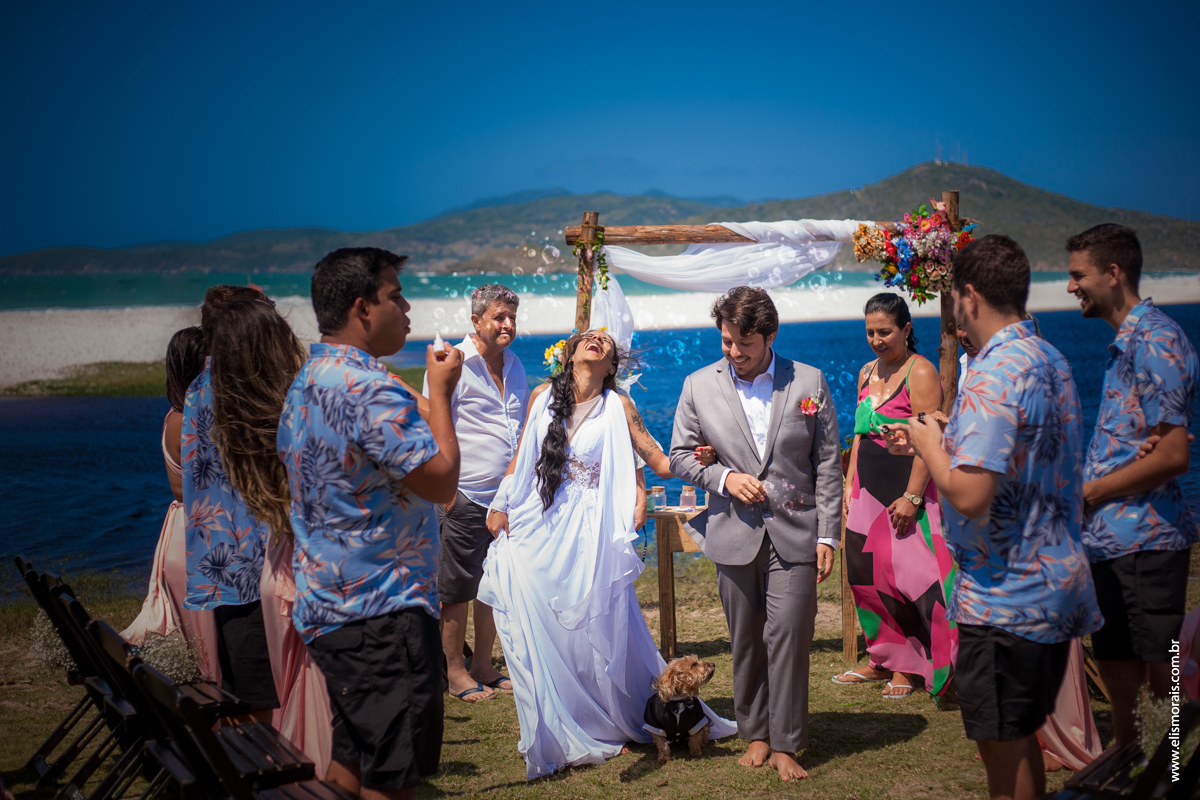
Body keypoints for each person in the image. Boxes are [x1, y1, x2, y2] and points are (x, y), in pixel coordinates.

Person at [885, 235, 1103, 800]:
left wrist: (929, 444)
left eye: (953, 295)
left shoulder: (992, 373)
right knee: (1021, 738)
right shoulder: (1047, 357)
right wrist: (932, 439)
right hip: (1054, 585)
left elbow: (970, 494)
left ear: (970, 296)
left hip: (1006, 598)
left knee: (1002, 755)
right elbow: (1018, 459)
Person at [477, 329, 735, 780]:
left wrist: (699, 458)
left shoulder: (619, 406)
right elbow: (521, 458)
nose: (598, 342)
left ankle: (600, 719)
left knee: (594, 625)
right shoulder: (542, 396)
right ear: (571, 353)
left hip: (590, 529)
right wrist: (500, 503)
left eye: (606, 342)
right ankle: (561, 720)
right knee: (547, 625)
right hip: (539, 521)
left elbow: (656, 458)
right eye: (589, 338)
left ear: (612, 363)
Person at [278, 247, 463, 800]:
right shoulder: (367, 387)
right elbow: (442, 481)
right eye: (395, 294)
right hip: (382, 607)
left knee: (350, 761)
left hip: (330, 604)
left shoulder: (310, 379)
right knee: (392, 777)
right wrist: (440, 394)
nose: (407, 307)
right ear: (362, 307)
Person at [669, 286, 842, 782]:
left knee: (788, 635)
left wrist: (828, 535)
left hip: (797, 531)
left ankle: (788, 742)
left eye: (744, 344)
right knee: (745, 641)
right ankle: (756, 734)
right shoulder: (698, 385)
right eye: (726, 341)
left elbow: (827, 463)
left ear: (770, 336)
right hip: (732, 531)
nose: (734, 352)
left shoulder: (810, 381)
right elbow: (680, 455)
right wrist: (723, 477)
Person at [1066, 223, 1198, 744]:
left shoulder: (1158, 340)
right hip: (1112, 543)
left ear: (1113, 273)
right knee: (1118, 664)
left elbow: (1173, 453)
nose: (1071, 286)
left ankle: (1165, 774)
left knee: (1160, 679)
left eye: (1079, 275)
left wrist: (1091, 493)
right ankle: (1132, 767)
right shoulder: (1126, 343)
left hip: (1148, 542)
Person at [208, 297, 332, 775]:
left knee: (296, 694)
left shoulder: (236, 415)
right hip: (307, 569)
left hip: (276, 566)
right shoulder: (296, 414)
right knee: (315, 694)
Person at [833, 293, 957, 701]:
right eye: (870, 331)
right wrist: (850, 485)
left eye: (885, 331)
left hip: (904, 489)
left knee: (913, 579)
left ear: (906, 328)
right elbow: (858, 435)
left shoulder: (920, 371)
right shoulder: (866, 371)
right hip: (866, 489)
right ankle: (881, 656)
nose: (876, 339)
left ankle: (913, 664)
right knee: (867, 577)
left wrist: (912, 497)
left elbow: (929, 438)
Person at [421, 284, 526, 703]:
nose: (507, 325)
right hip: (464, 494)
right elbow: (433, 421)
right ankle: (455, 671)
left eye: (512, 318)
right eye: (499, 317)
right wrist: (447, 495)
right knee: (458, 588)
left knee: (493, 585)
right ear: (476, 320)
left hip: (507, 499)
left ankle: (483, 663)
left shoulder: (515, 364)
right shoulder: (453, 363)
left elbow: (518, 427)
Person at [182, 285, 279, 722]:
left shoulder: (202, 384)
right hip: (249, 557)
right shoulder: (237, 389)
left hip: (223, 556)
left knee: (242, 683)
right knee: (259, 691)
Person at [121, 326, 220, 682]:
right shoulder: (193, 421)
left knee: (196, 641)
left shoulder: (172, 417)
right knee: (209, 647)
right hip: (197, 528)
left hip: (178, 527)